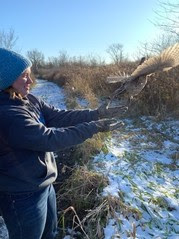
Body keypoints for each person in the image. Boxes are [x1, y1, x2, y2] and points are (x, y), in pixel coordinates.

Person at [0, 48, 127, 239]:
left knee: (50, 234)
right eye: (23, 76)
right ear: (6, 80)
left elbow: (58, 116)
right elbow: (49, 139)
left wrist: (96, 114)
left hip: (43, 184)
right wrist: (93, 127)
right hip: (21, 195)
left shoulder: (29, 99)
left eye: (29, 74)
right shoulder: (7, 114)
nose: (31, 81)